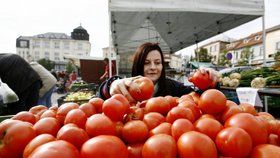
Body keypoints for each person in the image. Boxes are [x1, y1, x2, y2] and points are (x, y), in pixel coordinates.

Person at [98, 42, 219, 102]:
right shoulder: (127, 85)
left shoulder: (173, 87)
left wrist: (210, 80)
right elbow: (101, 99)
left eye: (157, 62)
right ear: (138, 65)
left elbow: (202, 98)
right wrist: (110, 86)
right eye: (146, 63)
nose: (153, 67)